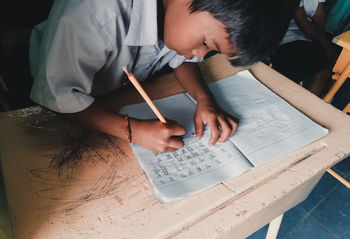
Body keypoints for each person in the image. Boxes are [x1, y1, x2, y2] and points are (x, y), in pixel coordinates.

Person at [29, 0, 299, 152]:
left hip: (116, 92)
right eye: (206, 43)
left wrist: (204, 99)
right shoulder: (95, 13)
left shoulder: (177, 16)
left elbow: (180, 57)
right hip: (58, 93)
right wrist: (134, 131)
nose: (199, 55)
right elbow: (58, 98)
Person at [270, 0, 339, 96]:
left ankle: (324, 96)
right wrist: (326, 46)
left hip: (307, 35)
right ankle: (300, 104)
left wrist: (322, 43)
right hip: (285, 36)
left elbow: (319, 15)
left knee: (337, 60)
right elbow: (301, 21)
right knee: (323, 68)